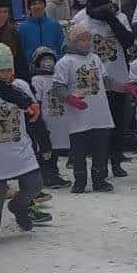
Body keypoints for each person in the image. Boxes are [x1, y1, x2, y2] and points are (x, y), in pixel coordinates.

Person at [0, 43, 52, 243]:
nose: (7, 74)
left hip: (21, 146)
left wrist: (44, 142)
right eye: (1, 70)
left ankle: (19, 205)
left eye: (9, 69)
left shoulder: (21, 87)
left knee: (35, 184)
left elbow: (34, 115)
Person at [72, 0, 135, 174]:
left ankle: (116, 160)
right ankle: (99, 162)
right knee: (97, 125)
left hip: (117, 78)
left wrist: (111, 18)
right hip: (92, 80)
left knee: (118, 121)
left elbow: (128, 41)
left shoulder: (119, 17)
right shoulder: (80, 19)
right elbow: (72, 48)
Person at [54, 24, 115, 193]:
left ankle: (100, 179)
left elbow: (105, 80)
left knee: (101, 149)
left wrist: (123, 86)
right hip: (78, 115)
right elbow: (58, 87)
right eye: (82, 39)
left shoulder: (95, 58)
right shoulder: (65, 62)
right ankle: (80, 181)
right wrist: (70, 99)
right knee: (79, 150)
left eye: (88, 38)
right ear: (73, 40)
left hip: (100, 113)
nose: (86, 42)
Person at [30, 44, 72, 188]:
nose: (48, 62)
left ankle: (53, 173)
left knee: (54, 150)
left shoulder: (57, 77)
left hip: (58, 120)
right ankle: (46, 176)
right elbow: (37, 101)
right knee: (45, 149)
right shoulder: (37, 80)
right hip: (45, 121)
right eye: (44, 59)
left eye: (50, 59)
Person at [19, 0, 64, 64]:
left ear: (44, 4)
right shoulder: (23, 27)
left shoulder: (54, 24)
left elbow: (61, 47)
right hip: (31, 67)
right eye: (34, 4)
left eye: (40, 3)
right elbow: (21, 50)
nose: (38, 6)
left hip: (54, 65)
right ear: (29, 7)